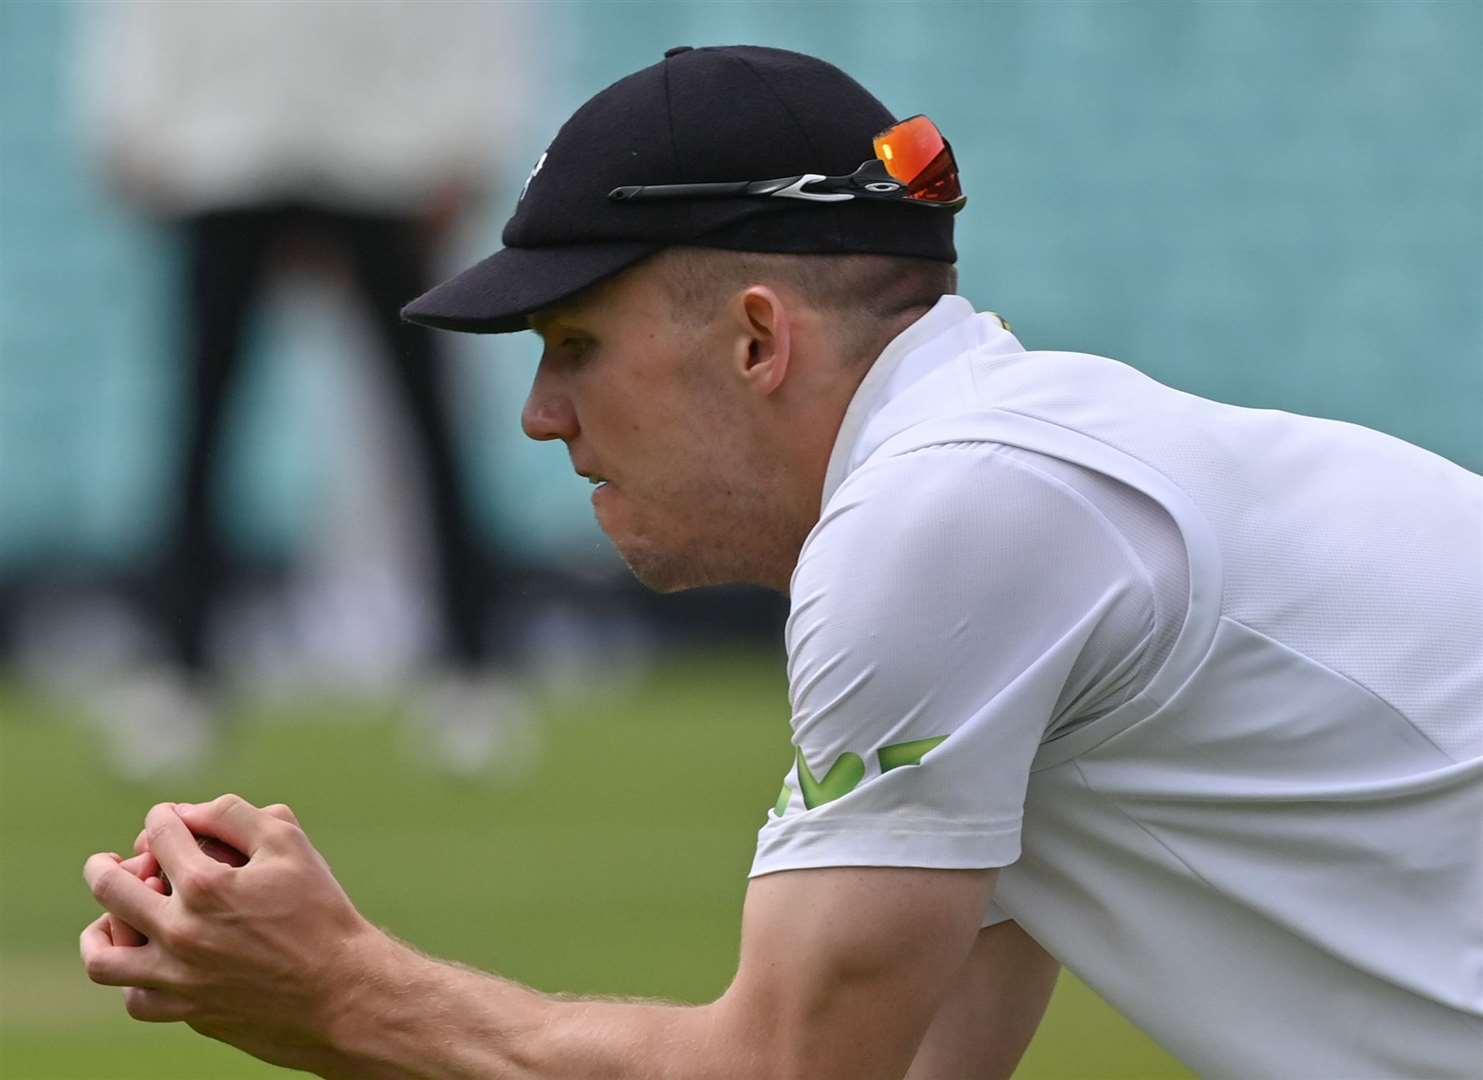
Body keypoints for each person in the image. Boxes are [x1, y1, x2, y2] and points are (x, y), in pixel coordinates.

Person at [80, 45, 1482, 1079]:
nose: (538, 414)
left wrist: (341, 991)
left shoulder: (938, 524)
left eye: (575, 346)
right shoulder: (1004, 481)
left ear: (757, 341)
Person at [73, 0, 530, 774]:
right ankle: (182, 674)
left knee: (426, 426)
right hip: (228, 155)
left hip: (384, 156)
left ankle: (471, 667)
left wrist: (469, 134)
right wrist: (130, 121)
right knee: (203, 431)